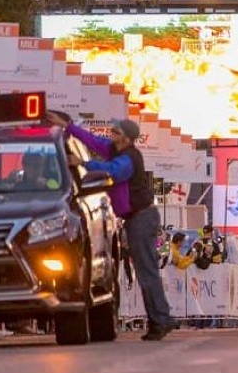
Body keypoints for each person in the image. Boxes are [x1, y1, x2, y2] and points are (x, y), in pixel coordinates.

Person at [47, 112, 174, 341]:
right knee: (146, 271)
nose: (112, 134)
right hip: (137, 218)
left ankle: (161, 320)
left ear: (126, 138)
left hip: (142, 218)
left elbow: (112, 171)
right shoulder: (116, 149)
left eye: (116, 132)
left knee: (147, 272)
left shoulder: (129, 158)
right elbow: (93, 140)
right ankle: (161, 318)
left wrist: (83, 163)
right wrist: (69, 126)